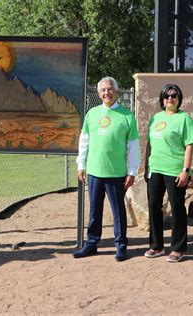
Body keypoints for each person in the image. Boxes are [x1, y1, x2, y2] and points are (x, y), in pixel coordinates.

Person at [73, 77, 140, 261]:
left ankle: (121, 245)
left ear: (116, 91)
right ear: (99, 93)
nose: (106, 93)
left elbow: (133, 146)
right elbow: (84, 141)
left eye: (110, 89)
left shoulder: (127, 116)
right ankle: (91, 244)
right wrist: (81, 164)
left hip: (116, 173)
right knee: (94, 210)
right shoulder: (92, 114)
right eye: (103, 90)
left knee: (118, 211)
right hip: (94, 171)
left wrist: (132, 171)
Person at [144, 84, 193, 263]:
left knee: (177, 209)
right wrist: (146, 168)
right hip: (155, 169)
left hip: (175, 170)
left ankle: (178, 248)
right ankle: (156, 246)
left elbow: (190, 145)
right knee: (153, 207)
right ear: (162, 99)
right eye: (166, 96)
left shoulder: (184, 119)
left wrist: (185, 170)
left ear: (179, 99)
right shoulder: (155, 118)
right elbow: (149, 145)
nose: (170, 99)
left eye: (174, 96)